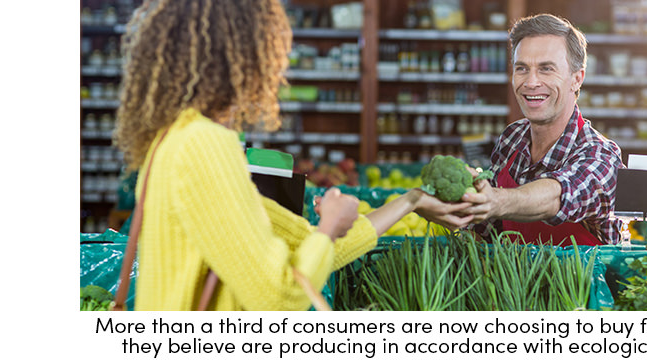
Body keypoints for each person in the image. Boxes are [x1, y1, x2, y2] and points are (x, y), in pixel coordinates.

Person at [113, 0, 461, 311]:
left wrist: (411, 201)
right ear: (244, 55)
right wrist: (329, 228)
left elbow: (307, 245)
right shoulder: (206, 144)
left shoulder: (172, 140)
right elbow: (280, 295)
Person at [456, 14, 625, 246]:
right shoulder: (512, 138)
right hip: (514, 272)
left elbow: (560, 195)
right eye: (522, 68)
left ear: (577, 79)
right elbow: (484, 231)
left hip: (586, 272)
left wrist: (495, 200)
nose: (531, 82)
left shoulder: (602, 156)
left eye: (546, 69)